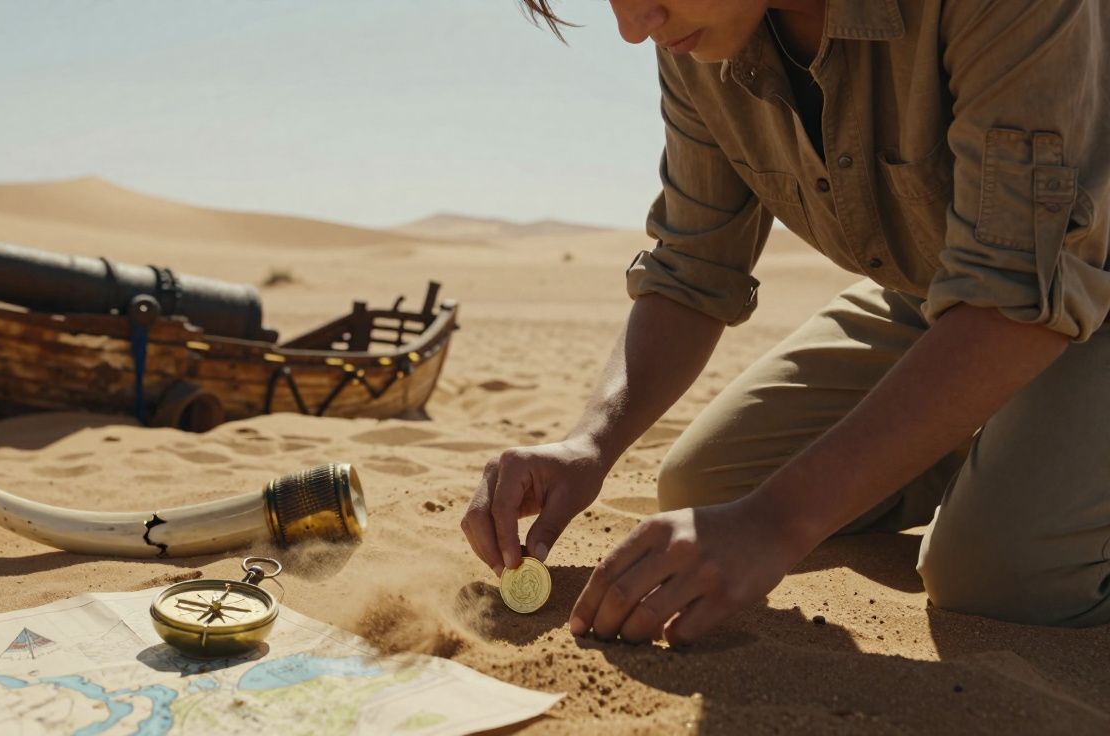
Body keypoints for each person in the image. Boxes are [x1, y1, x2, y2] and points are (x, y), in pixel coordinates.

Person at [461, 0, 1110, 644]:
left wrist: (776, 522)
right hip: (937, 297)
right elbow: (693, 265)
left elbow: (1013, 291)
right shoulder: (699, 36)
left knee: (999, 577)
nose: (634, 29)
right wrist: (589, 443)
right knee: (709, 488)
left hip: (1071, 293)